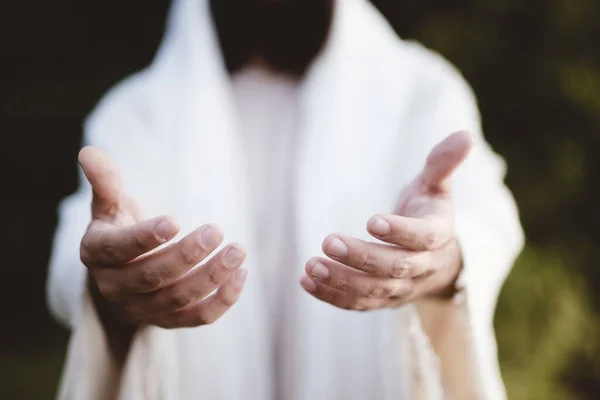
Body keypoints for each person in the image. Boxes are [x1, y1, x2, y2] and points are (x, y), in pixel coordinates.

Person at [47, 0, 524, 399]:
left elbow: (486, 217)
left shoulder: (423, 92)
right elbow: (80, 253)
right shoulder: (134, 115)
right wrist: (112, 289)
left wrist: (444, 262)